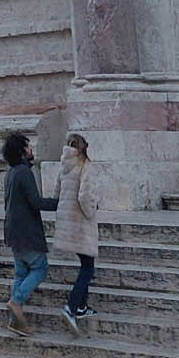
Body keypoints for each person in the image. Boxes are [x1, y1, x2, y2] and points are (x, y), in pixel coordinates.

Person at [0, 132, 57, 333]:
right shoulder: (24, 172)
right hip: (25, 232)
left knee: (21, 272)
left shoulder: (11, 172)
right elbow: (37, 202)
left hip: (13, 231)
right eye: (28, 147)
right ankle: (16, 302)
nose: (31, 150)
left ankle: (15, 320)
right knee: (40, 267)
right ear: (22, 151)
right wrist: (62, 203)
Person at [52, 132, 99, 335]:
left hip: (67, 223)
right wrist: (93, 209)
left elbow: (57, 193)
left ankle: (81, 307)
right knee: (88, 268)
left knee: (85, 263)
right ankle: (71, 307)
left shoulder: (64, 166)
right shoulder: (84, 165)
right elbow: (85, 196)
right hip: (81, 224)